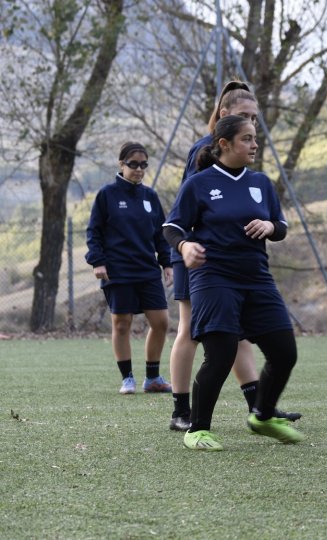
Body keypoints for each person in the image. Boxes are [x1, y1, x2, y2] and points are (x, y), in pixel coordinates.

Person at [166, 80, 300, 431]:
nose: (253, 131)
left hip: (244, 268)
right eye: (245, 119)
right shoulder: (205, 156)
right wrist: (183, 248)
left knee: (241, 338)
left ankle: (260, 408)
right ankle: (184, 412)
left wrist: (270, 226)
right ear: (224, 123)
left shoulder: (256, 176)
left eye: (255, 120)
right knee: (194, 333)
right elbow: (182, 220)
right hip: (201, 261)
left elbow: (276, 221)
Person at [86, 142, 173, 394]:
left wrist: (167, 263)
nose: (138, 169)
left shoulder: (150, 196)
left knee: (161, 322)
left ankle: (153, 378)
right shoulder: (107, 195)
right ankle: (128, 379)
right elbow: (94, 232)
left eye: (143, 164)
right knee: (121, 324)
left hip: (147, 270)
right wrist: (97, 261)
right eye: (133, 164)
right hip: (118, 270)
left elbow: (160, 233)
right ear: (121, 164)